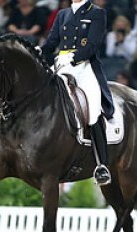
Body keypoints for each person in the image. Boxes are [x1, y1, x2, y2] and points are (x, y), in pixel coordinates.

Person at [40, 0, 115, 185]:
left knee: (93, 107)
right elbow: (52, 42)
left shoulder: (97, 13)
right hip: (62, 63)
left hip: (84, 65)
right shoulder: (62, 14)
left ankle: (102, 164)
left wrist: (74, 57)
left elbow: (93, 44)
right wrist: (38, 52)